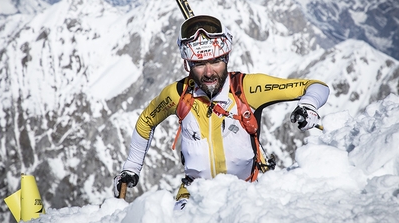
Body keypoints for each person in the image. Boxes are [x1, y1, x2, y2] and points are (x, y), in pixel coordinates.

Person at [113, 15, 330, 210]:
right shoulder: (178, 94)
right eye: (199, 64)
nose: (209, 72)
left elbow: (316, 86)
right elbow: (145, 122)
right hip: (193, 198)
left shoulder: (247, 88)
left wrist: (309, 104)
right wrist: (131, 167)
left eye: (216, 61)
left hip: (246, 194)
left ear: (226, 57)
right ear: (187, 64)